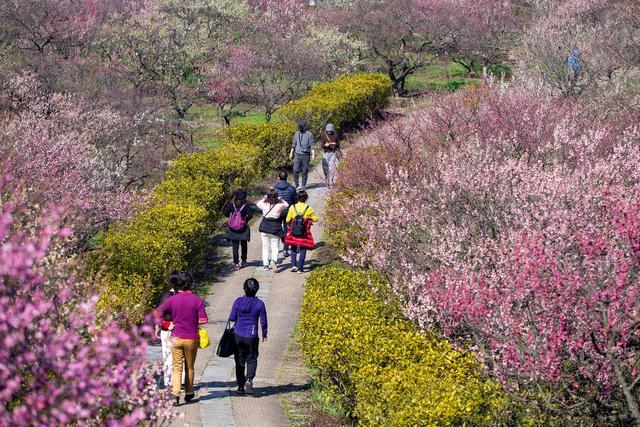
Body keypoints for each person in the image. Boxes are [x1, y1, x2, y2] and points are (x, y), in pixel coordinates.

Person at [155, 272, 208, 406]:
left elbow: (157, 313)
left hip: (176, 338)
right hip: (191, 338)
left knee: (177, 367)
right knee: (189, 367)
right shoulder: (197, 300)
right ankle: (189, 392)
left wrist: (167, 324)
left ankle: (175, 394)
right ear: (190, 284)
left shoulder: (172, 300)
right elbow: (203, 320)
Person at [229, 278, 268, 395]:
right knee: (251, 359)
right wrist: (264, 334)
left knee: (239, 361)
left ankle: (240, 386)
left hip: (238, 335)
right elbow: (263, 321)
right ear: (257, 290)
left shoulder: (238, 301)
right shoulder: (260, 304)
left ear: (244, 289)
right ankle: (249, 380)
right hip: (252, 335)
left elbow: (232, 318)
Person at [155, 271, 179, 389]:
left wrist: (158, 325)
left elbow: (158, 313)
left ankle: (168, 381)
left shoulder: (165, 295)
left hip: (166, 328)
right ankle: (181, 381)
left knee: (167, 356)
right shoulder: (179, 296)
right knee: (180, 357)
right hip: (178, 329)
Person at [285, 190, 319, 273]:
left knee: (293, 248)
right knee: (303, 249)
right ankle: (300, 268)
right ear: (306, 198)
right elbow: (316, 219)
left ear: (297, 197)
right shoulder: (309, 208)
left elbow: (287, 220)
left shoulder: (292, 207)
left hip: (294, 231)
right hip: (304, 232)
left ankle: (293, 265)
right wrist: (309, 218)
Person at [257, 188, 289, 270]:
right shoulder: (279, 206)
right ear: (276, 196)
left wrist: (265, 198)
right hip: (275, 228)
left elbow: (258, 204)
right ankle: (274, 260)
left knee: (265, 247)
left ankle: (265, 265)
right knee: (275, 247)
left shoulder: (264, 204)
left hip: (265, 228)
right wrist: (280, 199)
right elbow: (287, 204)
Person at [223, 189, 253, 269]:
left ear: (235, 196)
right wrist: (245, 220)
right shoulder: (246, 205)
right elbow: (250, 215)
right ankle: (244, 261)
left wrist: (232, 217)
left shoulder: (231, 205)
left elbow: (225, 213)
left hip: (233, 228)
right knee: (244, 245)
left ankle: (236, 263)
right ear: (244, 196)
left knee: (235, 246)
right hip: (243, 228)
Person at [274, 171, 298, 258]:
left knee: (278, 229)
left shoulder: (274, 189)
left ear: (278, 178)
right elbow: (295, 201)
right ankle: (285, 250)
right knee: (287, 230)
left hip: (277, 212)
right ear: (287, 178)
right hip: (288, 212)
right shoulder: (291, 188)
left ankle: (280, 241)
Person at [288, 119, 315, 190]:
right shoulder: (297, 133)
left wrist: (313, 154)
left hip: (306, 155)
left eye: (301, 126)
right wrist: (291, 153)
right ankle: (296, 184)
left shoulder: (309, 134)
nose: (300, 128)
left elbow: (312, 145)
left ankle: (303, 185)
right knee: (295, 169)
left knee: (304, 170)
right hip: (297, 154)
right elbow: (294, 144)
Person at [321, 123, 342, 189]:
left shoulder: (336, 136)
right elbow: (322, 145)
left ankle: (331, 183)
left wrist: (334, 144)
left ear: (332, 130)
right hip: (326, 153)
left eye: (330, 130)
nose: (329, 132)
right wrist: (325, 145)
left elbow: (338, 144)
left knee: (332, 168)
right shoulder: (324, 136)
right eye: (328, 131)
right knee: (325, 167)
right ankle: (326, 179)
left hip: (333, 153)